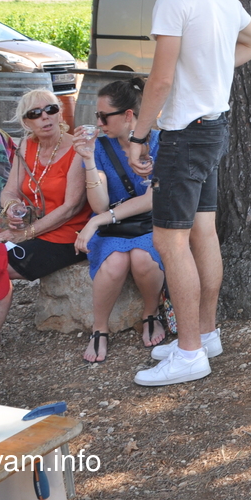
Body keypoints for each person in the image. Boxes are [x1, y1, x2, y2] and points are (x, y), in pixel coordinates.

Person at [127, 0, 251, 387]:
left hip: (185, 135)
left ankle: (188, 354)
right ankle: (205, 335)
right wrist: (214, 67)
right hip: (214, 128)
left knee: (170, 241)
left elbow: (160, 80)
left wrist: (139, 136)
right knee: (203, 232)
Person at [0, 89, 91, 377]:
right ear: (26, 122)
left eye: (50, 109)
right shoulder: (25, 146)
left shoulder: (75, 149)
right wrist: (12, 208)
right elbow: (10, 191)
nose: (45, 117)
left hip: (65, 235)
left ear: (60, 112)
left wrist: (26, 233)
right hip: (34, 229)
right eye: (35, 113)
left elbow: (71, 207)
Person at [71, 78, 165, 363]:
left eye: (104, 116)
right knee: (114, 263)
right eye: (96, 116)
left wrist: (95, 222)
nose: (98, 123)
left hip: (150, 222)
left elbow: (152, 199)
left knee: (142, 258)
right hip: (114, 227)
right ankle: (99, 328)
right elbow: (99, 204)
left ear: (127, 115)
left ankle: (151, 313)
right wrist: (88, 160)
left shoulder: (159, 143)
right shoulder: (100, 147)